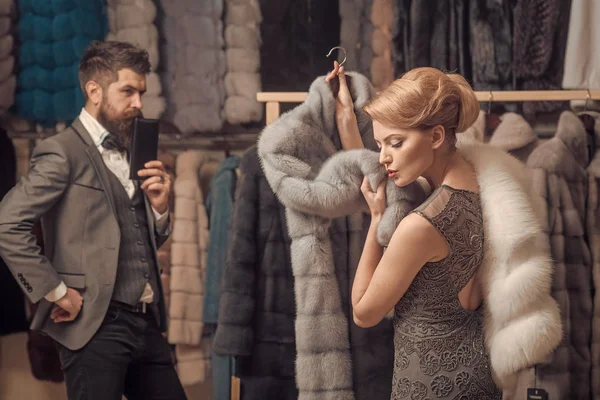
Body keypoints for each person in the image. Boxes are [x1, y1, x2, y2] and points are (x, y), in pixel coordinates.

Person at [0, 41, 187, 400]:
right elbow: (8, 223)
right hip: (94, 326)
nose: (139, 104)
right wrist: (53, 291)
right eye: (128, 91)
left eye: (141, 93)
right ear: (94, 91)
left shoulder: (133, 149)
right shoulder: (61, 152)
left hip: (145, 321)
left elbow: (132, 237)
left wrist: (160, 210)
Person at [326, 63, 502, 398]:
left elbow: (364, 312)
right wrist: (345, 115)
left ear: (436, 136)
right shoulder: (480, 184)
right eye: (380, 144)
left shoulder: (420, 227)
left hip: (429, 385)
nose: (384, 158)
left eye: (394, 143)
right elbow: (375, 170)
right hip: (480, 378)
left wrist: (377, 219)